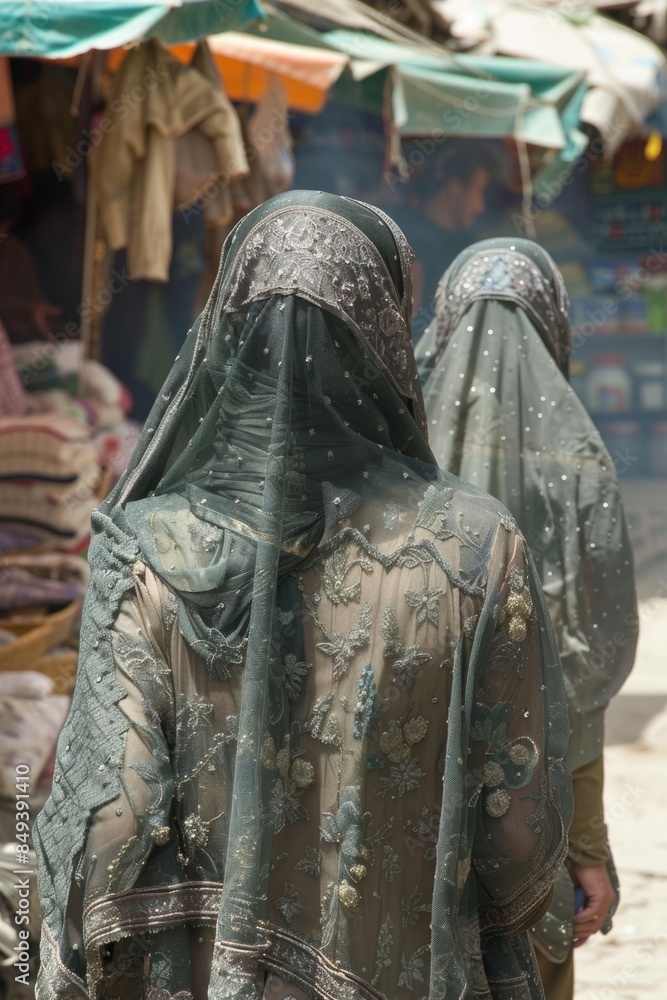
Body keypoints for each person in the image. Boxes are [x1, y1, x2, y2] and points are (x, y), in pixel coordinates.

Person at [34, 194, 570, 1000]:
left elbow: (112, 820)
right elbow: (516, 837)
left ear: (225, 333)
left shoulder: (146, 549)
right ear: (385, 339)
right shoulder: (477, 546)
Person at [416, 238, 638, 1000]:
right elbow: (580, 684)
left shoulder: (394, 450)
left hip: (402, 821)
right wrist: (587, 848)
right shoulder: (582, 468)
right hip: (534, 818)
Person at [385, 141, 498, 320]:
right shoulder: (403, 236)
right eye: (478, 190)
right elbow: (408, 318)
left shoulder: (469, 248)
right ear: (453, 189)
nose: (480, 207)